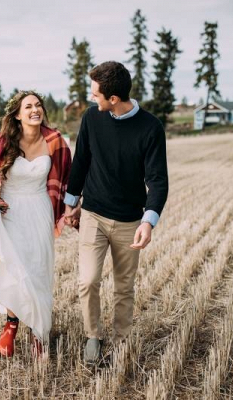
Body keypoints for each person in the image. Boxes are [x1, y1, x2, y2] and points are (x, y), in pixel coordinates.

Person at [64, 61, 169, 363]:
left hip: (129, 220)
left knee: (124, 287)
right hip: (93, 214)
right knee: (88, 280)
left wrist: (148, 222)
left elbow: (158, 181)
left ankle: (122, 341)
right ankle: (92, 336)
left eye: (96, 93)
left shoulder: (150, 128)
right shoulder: (91, 118)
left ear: (113, 99)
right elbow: (81, 160)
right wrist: (72, 204)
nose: (91, 98)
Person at [0, 90, 72, 358]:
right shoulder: (2, 143)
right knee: (14, 269)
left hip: (39, 210)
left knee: (38, 271)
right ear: (17, 115)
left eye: (38, 105)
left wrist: (69, 208)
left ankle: (39, 332)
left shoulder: (56, 141)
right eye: (28, 106)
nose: (35, 110)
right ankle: (11, 326)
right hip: (8, 213)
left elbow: (67, 178)